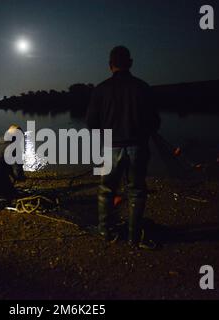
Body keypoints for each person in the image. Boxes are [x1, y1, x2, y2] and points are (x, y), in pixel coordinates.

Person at [86, 46, 161, 250]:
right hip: (137, 147)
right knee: (136, 191)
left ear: (110, 66)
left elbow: (91, 122)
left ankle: (105, 231)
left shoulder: (100, 89)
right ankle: (133, 237)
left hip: (111, 148)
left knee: (106, 190)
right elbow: (155, 122)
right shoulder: (143, 87)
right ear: (130, 63)